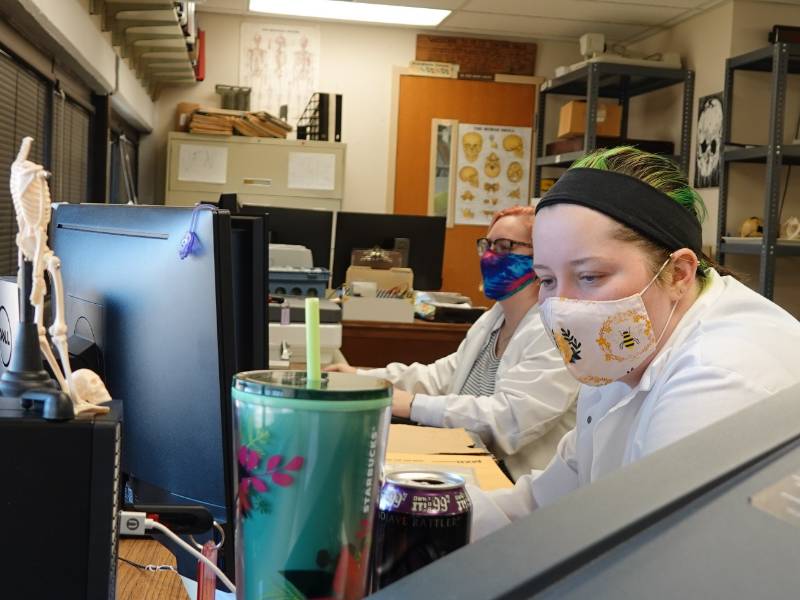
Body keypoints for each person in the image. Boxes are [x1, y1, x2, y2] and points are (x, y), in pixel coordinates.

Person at [468, 146, 800, 539]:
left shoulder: (720, 374)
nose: (563, 307)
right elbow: (542, 504)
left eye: (590, 276)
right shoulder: (625, 351)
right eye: (547, 280)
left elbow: (656, 559)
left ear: (678, 273)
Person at [326, 206, 578, 479]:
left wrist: (408, 404)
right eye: (488, 245)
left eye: (505, 246)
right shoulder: (492, 320)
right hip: (465, 461)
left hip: (512, 482)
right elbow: (439, 377)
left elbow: (508, 421)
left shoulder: (557, 333)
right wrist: (362, 379)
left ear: (543, 257)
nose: (491, 256)